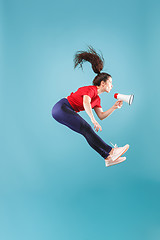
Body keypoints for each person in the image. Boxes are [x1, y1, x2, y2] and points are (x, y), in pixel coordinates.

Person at [51, 45, 129, 167]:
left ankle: (108, 158)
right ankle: (111, 151)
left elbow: (102, 116)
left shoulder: (97, 99)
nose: (112, 86)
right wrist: (92, 120)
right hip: (62, 107)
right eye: (110, 83)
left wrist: (114, 107)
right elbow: (85, 102)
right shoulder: (91, 89)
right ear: (102, 83)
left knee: (86, 131)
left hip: (64, 111)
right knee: (86, 128)